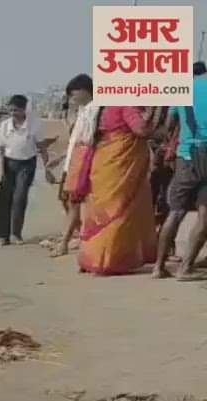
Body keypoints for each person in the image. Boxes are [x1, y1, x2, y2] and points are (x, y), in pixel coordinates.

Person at [76, 105, 157, 275]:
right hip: (120, 167)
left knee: (100, 212)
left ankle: (91, 258)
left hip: (105, 161)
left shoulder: (103, 106)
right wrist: (154, 114)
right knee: (119, 211)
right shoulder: (125, 105)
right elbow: (141, 130)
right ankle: (109, 260)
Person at [154, 63, 207, 280]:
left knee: (175, 212)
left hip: (186, 155)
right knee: (205, 214)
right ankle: (186, 267)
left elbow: (168, 125)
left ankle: (159, 267)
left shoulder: (183, 89)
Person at [0, 94, 54, 245]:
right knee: (5, 198)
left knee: (20, 198)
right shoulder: (4, 126)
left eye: (15, 110)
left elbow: (42, 148)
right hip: (8, 164)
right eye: (10, 110)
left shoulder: (34, 125)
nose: (12, 113)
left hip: (27, 164)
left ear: (23, 110)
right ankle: (3, 235)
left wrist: (47, 170)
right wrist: (0, 171)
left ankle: (16, 233)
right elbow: (0, 150)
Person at [52, 74, 97, 257]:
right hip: (72, 159)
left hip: (82, 160)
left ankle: (65, 241)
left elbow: (88, 138)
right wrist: (63, 157)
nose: (72, 98)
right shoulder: (83, 109)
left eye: (73, 94)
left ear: (85, 91)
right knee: (66, 199)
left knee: (73, 201)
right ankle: (77, 235)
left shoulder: (95, 109)